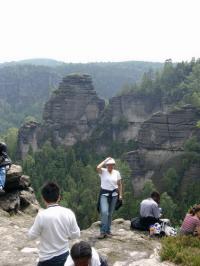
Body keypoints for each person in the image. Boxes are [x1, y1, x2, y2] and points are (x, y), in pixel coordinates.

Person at [28, 182, 80, 266]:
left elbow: (31, 236)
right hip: (65, 258)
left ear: (43, 198)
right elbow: (76, 234)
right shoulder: (69, 213)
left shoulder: (41, 215)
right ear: (59, 197)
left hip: (46, 260)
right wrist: (66, 235)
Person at [96, 157, 123, 239]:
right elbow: (97, 167)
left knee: (110, 214)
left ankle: (108, 231)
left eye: (111, 165)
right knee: (104, 212)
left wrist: (121, 195)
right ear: (106, 165)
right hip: (104, 194)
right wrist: (105, 160)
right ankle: (102, 231)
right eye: (108, 165)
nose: (110, 166)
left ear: (114, 165)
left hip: (114, 194)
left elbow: (119, 184)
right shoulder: (103, 171)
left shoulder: (116, 173)